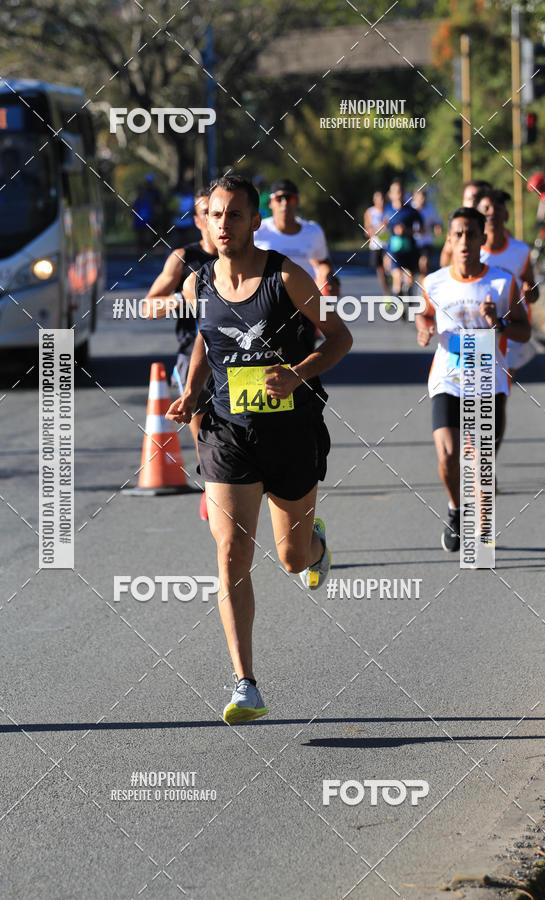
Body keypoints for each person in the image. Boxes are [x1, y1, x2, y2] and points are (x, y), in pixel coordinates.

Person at [166, 175, 352, 722]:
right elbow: (206, 336)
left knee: (291, 560)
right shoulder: (197, 282)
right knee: (231, 554)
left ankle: (314, 545)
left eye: (235, 215)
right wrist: (192, 392)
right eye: (216, 215)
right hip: (226, 434)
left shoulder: (287, 277)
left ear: (254, 222)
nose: (224, 225)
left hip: (291, 432)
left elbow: (339, 339)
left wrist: (297, 374)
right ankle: (245, 683)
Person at [415, 206, 530, 552]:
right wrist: (424, 328)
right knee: (449, 456)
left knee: (479, 459)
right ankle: (455, 508)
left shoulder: (502, 282)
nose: (464, 241)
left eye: (471, 234)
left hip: (487, 377)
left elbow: (525, 331)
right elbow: (424, 315)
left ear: (483, 238)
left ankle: (481, 532)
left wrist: (501, 324)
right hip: (447, 377)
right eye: (458, 234)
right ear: (449, 239)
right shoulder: (434, 281)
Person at [144, 187, 217, 519]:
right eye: (208, 212)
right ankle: (214, 487)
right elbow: (147, 306)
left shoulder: (253, 256)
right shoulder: (183, 258)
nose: (216, 220)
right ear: (199, 219)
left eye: (224, 211)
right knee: (203, 435)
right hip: (193, 355)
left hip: (240, 355)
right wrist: (181, 301)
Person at [475, 187, 539, 375]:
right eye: (486, 209)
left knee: (501, 388)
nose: (492, 213)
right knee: (481, 387)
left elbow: (533, 290)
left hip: (510, 329)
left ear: (506, 214)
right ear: (477, 215)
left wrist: (530, 293)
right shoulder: (470, 251)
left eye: (497, 208)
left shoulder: (520, 250)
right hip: (481, 329)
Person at [253, 178, 338, 293]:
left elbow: (322, 261)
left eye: (290, 198)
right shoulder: (256, 230)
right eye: (279, 198)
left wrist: (329, 278)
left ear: (297, 201)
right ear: (271, 203)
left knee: (330, 311)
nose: (285, 203)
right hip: (268, 299)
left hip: (305, 298)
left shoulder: (313, 231)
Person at [383, 178, 422, 296]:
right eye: (394, 191)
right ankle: (399, 308)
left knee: (409, 278)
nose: (397, 194)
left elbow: (422, 229)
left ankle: (408, 299)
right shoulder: (388, 210)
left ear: (404, 193)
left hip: (409, 248)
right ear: (390, 194)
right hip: (393, 249)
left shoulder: (411, 211)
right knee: (397, 276)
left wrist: (406, 231)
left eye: (400, 191)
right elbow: (383, 230)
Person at [439, 179, 492, 267]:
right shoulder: (457, 228)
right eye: (468, 199)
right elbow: (446, 254)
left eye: (476, 199)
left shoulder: (497, 233)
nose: (472, 204)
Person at [411, 188, 442, 276]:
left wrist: (437, 228)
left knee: (424, 263)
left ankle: (422, 284)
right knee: (412, 268)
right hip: (412, 241)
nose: (422, 199)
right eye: (420, 197)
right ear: (414, 197)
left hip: (426, 241)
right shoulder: (410, 209)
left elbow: (437, 221)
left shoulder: (430, 209)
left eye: (424, 197)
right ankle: (409, 285)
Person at [364, 190, 390, 296]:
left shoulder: (389, 211)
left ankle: (395, 286)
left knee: (388, 267)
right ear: (374, 200)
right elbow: (367, 232)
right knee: (381, 272)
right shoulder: (370, 212)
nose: (381, 201)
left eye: (383, 199)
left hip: (389, 245)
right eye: (378, 199)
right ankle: (387, 294)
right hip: (376, 245)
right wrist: (379, 228)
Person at [132, 174, 162, 252]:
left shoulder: (155, 192)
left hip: (148, 219)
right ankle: (140, 253)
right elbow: (133, 210)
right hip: (139, 221)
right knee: (140, 238)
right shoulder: (137, 199)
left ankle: (149, 251)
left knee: (149, 237)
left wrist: (156, 214)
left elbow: (158, 204)